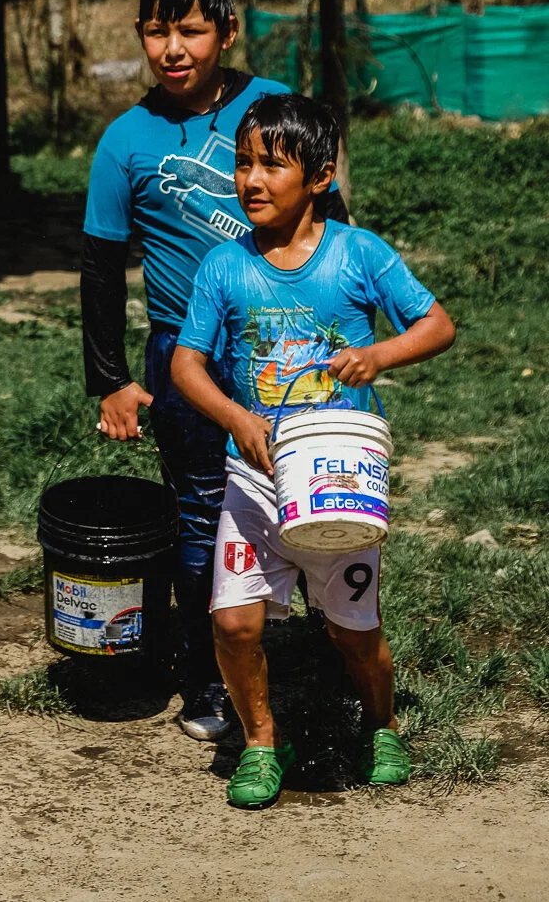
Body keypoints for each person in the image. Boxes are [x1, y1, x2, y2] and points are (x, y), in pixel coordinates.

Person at [80, 0, 345, 739]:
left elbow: (331, 225)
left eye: (191, 29)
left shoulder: (274, 108)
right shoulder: (125, 140)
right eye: (157, 30)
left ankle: (339, 647)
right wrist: (112, 380)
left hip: (289, 348)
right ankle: (208, 680)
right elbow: (100, 265)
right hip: (183, 361)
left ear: (226, 33)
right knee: (203, 515)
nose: (173, 47)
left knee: (316, 498)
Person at [171, 93, 456, 808]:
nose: (251, 180)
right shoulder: (223, 267)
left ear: (320, 175)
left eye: (271, 165)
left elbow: (438, 324)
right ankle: (264, 743)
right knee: (234, 624)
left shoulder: (360, 255)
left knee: (353, 634)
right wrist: (236, 416)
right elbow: (185, 364)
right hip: (254, 478)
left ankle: (382, 724)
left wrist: (379, 356)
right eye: (242, 163)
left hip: (339, 477)